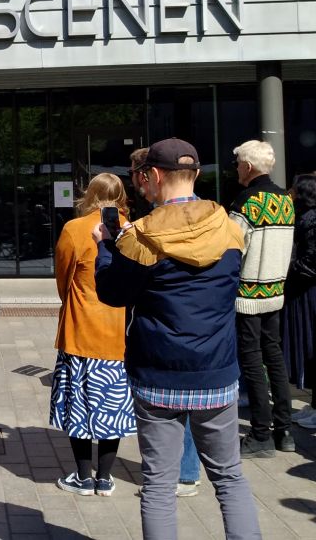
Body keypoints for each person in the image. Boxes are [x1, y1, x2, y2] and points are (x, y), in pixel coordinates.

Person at [94, 137, 260, 540]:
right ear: (197, 175)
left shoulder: (140, 239)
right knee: (230, 479)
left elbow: (112, 293)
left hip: (158, 377)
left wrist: (105, 249)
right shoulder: (230, 227)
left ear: (152, 175)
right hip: (217, 373)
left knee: (158, 486)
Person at [50, 173, 136, 498]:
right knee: (112, 407)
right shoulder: (131, 229)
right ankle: (106, 477)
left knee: (79, 406)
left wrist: (72, 301)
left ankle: (83, 477)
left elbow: (62, 278)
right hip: (118, 334)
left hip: (81, 328)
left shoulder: (74, 229)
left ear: (90, 194)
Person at [130, 147, 200, 498]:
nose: (140, 184)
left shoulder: (153, 228)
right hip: (208, 349)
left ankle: (176, 474)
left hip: (167, 348)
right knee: (230, 477)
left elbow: (119, 290)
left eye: (142, 176)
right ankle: (185, 473)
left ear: (155, 175)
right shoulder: (217, 221)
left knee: (172, 414)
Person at [229, 139, 295, 457]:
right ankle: (284, 431)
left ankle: (260, 434)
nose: (237, 168)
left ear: (249, 167)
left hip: (248, 294)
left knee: (252, 361)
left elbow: (230, 248)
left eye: (239, 163)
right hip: (275, 291)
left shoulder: (246, 201)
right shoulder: (285, 199)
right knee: (275, 356)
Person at [283, 173, 316, 429]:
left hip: (309, 293)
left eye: (294, 191)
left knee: (311, 345)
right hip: (304, 291)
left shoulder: (310, 220)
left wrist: (289, 266)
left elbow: (311, 262)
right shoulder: (305, 217)